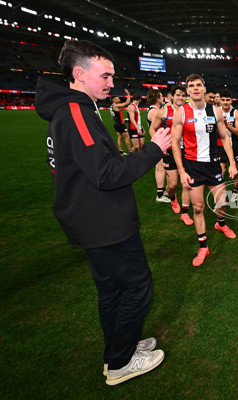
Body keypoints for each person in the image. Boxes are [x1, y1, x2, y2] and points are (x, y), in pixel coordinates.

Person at [35, 40, 171, 385]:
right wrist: (154, 149)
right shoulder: (76, 112)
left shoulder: (74, 109)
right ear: (79, 74)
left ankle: (117, 353)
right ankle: (122, 362)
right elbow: (107, 173)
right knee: (138, 289)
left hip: (92, 219)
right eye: (105, 75)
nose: (112, 83)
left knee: (111, 291)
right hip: (103, 223)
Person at [170, 74, 238, 266]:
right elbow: (175, 143)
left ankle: (220, 223)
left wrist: (232, 162)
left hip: (213, 164)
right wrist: (182, 171)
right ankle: (203, 247)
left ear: (204, 87)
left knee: (222, 201)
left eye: (199, 85)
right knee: (198, 208)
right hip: (192, 166)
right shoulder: (181, 112)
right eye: (191, 86)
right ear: (188, 90)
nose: (195, 88)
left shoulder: (215, 111)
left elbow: (225, 138)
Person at [150, 85, 194, 224]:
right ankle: (173, 197)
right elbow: (152, 129)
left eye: (183, 95)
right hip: (169, 152)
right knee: (173, 185)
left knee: (187, 183)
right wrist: (158, 145)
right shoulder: (163, 111)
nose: (180, 97)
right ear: (172, 96)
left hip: (187, 152)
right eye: (178, 95)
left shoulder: (190, 111)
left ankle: (185, 213)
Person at [218, 89, 238, 202]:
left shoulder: (236, 113)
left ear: (231, 100)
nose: (225, 102)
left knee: (235, 171)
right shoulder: (216, 112)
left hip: (234, 146)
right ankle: (222, 195)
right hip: (220, 146)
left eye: (227, 100)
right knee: (221, 172)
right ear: (220, 100)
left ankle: (235, 191)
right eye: (223, 100)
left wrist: (226, 125)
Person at [147, 88, 171, 204]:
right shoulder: (155, 112)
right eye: (161, 96)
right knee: (160, 168)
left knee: (163, 168)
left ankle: (162, 191)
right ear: (157, 98)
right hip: (158, 144)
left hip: (158, 143)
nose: (162, 98)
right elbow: (154, 130)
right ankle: (160, 195)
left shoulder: (155, 110)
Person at [110, 89, 132, 155]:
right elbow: (127, 103)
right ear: (114, 100)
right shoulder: (116, 105)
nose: (119, 99)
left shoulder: (111, 106)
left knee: (120, 137)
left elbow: (113, 117)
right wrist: (128, 95)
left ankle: (121, 151)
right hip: (120, 124)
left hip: (116, 123)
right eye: (117, 99)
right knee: (127, 137)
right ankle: (130, 152)